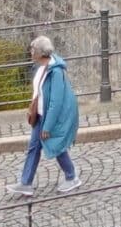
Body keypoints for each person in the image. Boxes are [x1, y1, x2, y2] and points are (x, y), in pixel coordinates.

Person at [13, 35, 80, 197]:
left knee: (56, 146)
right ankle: (25, 182)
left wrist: (48, 126)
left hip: (49, 118)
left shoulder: (55, 72)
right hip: (41, 115)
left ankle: (71, 176)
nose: (31, 52)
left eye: (33, 49)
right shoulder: (43, 67)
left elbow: (55, 102)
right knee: (34, 148)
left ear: (40, 53)